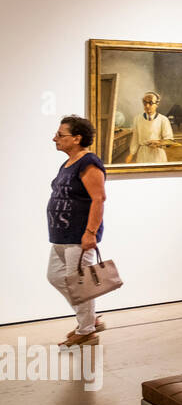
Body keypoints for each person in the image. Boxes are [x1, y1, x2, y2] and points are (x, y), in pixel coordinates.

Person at [47, 115, 108, 348]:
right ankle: (90, 319)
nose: (55, 138)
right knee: (55, 276)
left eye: (61, 135)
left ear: (77, 138)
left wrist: (91, 233)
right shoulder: (68, 163)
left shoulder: (88, 162)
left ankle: (87, 331)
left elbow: (98, 198)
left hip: (78, 235)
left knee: (80, 284)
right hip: (61, 235)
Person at [125, 91, 174, 164]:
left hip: (158, 155)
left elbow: (169, 140)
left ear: (157, 104)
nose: (147, 106)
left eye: (150, 103)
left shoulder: (163, 119)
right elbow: (135, 138)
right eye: (145, 103)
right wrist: (131, 154)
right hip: (143, 154)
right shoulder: (137, 119)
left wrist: (159, 143)